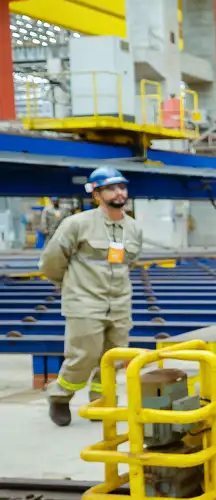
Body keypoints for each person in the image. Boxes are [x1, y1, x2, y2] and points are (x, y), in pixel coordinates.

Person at [39, 167, 142, 427]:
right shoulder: (77, 224)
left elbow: (127, 263)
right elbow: (51, 261)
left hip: (119, 303)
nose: (119, 192)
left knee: (113, 357)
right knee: (84, 355)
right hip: (84, 303)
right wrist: (71, 286)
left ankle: (101, 402)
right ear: (97, 194)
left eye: (122, 187)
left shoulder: (133, 228)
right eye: (111, 188)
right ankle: (60, 396)